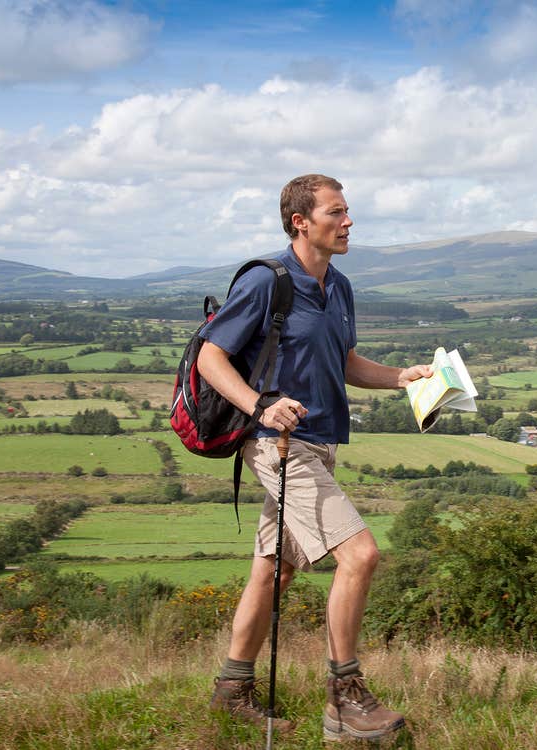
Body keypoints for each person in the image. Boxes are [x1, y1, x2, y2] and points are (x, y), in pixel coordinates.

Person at [199, 174, 432, 743]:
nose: (348, 221)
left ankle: (231, 691)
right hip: (277, 444)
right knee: (360, 554)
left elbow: (344, 361)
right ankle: (344, 700)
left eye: (347, 211)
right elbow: (211, 357)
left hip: (321, 442)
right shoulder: (266, 281)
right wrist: (260, 406)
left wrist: (401, 377)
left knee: (275, 570)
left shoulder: (340, 286)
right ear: (300, 222)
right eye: (336, 212)